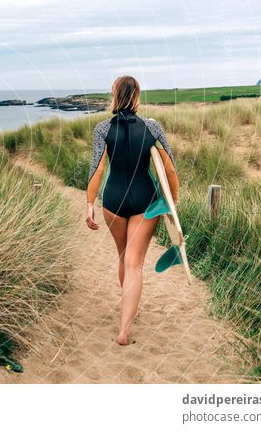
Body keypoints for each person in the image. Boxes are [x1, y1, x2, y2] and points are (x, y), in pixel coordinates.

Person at [84, 76, 179, 346]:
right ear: (137, 96)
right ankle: (124, 330)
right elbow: (169, 167)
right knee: (135, 264)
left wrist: (90, 203)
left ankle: (127, 309)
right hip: (145, 201)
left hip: (113, 201)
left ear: (114, 95)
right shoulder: (152, 127)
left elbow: (98, 168)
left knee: (124, 257)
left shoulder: (102, 129)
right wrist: (173, 202)